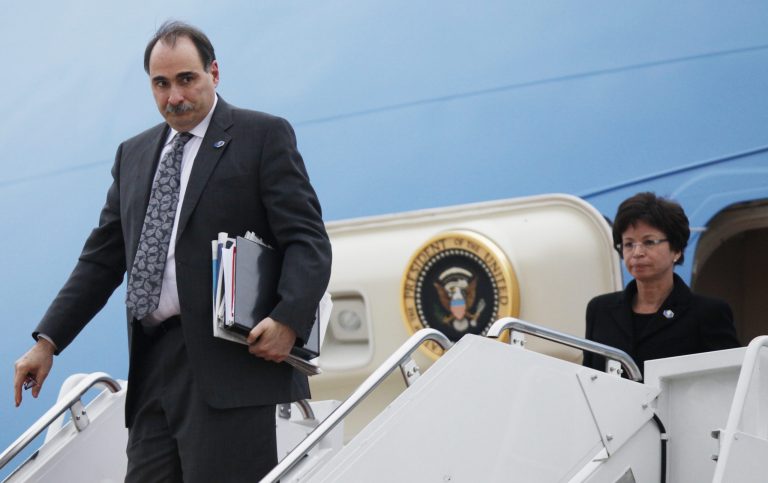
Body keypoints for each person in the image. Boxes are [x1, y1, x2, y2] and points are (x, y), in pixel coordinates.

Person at [12, 20, 332, 482]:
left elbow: (308, 240)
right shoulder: (134, 154)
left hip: (230, 365)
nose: (174, 96)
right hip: (153, 364)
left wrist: (288, 319)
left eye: (187, 79)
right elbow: (102, 260)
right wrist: (48, 341)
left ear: (214, 73)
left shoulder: (262, 136)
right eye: (161, 84)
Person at [583, 192, 739, 377]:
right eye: (629, 244)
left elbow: (729, 382)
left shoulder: (708, 313)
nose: (637, 252)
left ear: (677, 250)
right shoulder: (600, 310)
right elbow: (589, 379)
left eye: (649, 242)